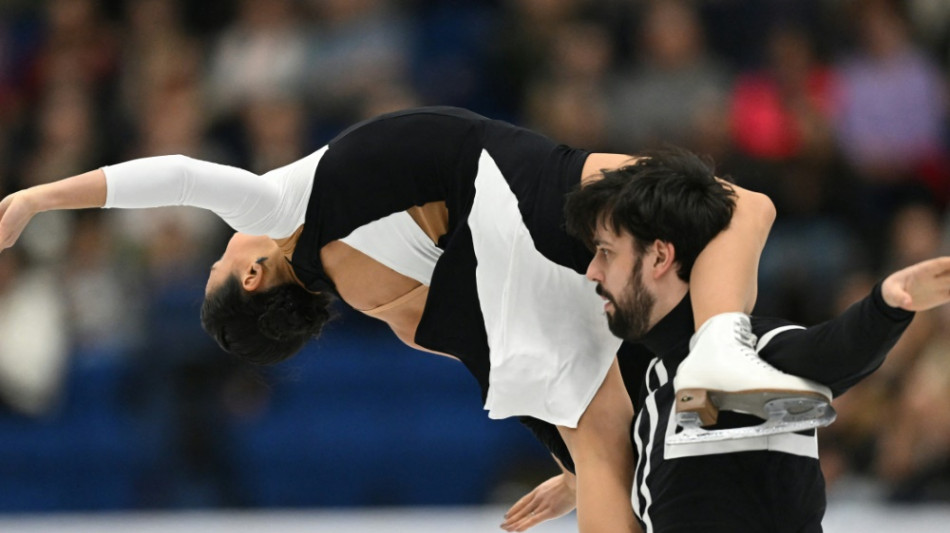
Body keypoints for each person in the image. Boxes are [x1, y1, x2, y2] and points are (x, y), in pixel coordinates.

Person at [0, 107, 779, 532]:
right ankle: (721, 349)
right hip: (504, 178)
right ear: (250, 272)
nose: (217, 249)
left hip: (490, 232)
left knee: (607, 452)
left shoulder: (387, 305)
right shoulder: (280, 209)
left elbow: (488, 340)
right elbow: (175, 175)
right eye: (216, 265)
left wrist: (572, 463)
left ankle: (712, 357)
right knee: (740, 204)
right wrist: (37, 198)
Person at [563, 148, 945, 531]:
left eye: (606, 252)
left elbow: (830, 353)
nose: (593, 271)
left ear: (660, 257)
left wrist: (887, 307)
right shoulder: (656, 390)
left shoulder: (746, 353)